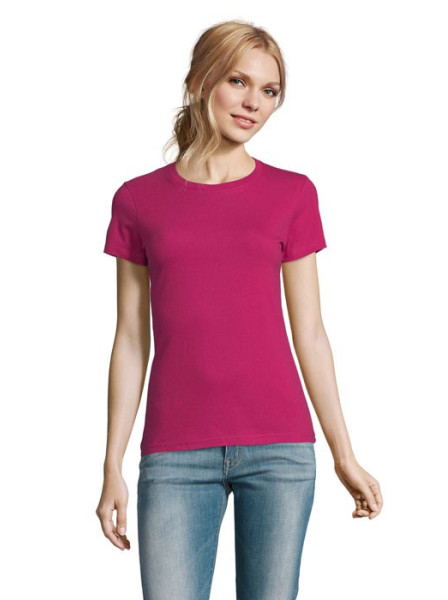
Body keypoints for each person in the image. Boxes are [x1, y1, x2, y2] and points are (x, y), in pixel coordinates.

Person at [96, 19, 383, 600]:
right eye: (238, 81)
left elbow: (311, 334)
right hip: (174, 455)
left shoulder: (292, 194)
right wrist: (111, 465)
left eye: (269, 90)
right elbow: (130, 340)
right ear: (200, 82)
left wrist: (344, 454)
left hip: (279, 451)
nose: (254, 102)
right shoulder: (138, 200)